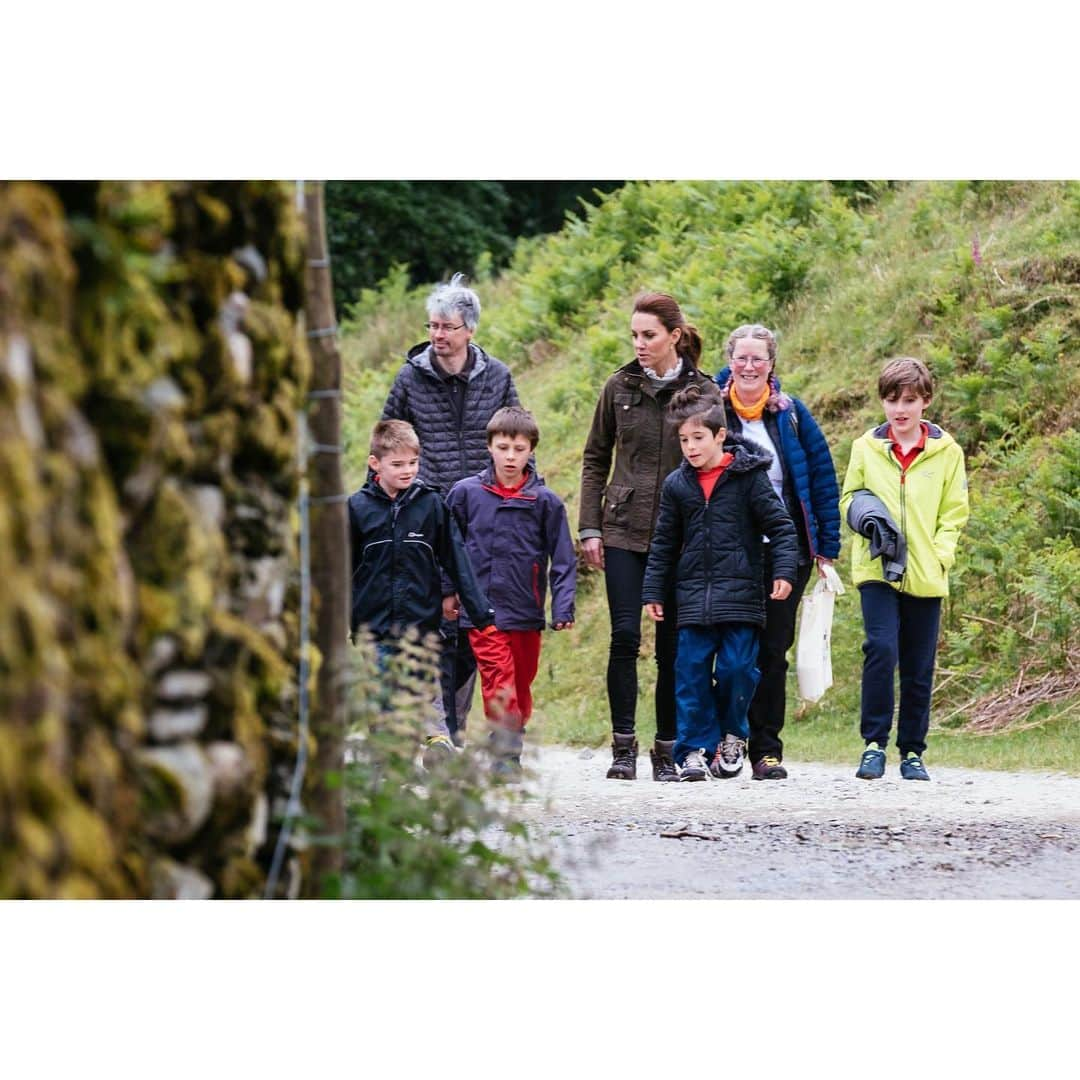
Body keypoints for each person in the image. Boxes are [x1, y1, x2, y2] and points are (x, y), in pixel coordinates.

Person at [579, 292, 721, 781]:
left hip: (681, 535)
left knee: (672, 647)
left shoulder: (704, 391)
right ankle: (622, 747)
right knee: (624, 636)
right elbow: (596, 457)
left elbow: (717, 464)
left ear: (674, 337)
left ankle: (667, 749)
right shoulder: (618, 386)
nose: (639, 344)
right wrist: (590, 526)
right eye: (634, 336)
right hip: (622, 527)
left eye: (649, 335)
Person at [381, 273, 520, 747]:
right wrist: (379, 503)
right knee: (436, 621)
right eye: (433, 326)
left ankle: (459, 724)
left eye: (447, 327)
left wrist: (525, 492)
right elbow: (387, 438)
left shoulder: (498, 376)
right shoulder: (410, 376)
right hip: (427, 512)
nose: (438, 335)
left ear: (469, 330)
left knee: (475, 619)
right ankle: (444, 732)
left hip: (484, 512)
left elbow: (518, 436)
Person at [642, 385, 799, 780]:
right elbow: (663, 542)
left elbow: (781, 528)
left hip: (742, 597)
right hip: (692, 598)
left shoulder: (749, 479)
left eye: (698, 438)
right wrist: (653, 591)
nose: (691, 448)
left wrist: (782, 571)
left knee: (737, 670)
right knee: (691, 671)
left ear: (720, 435)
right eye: (683, 440)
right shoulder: (677, 486)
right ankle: (693, 749)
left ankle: (732, 735)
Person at [713, 325, 841, 779]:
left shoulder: (792, 415)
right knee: (731, 653)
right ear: (729, 361)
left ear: (772, 364)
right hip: (727, 552)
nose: (749, 367)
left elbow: (821, 479)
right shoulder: (711, 412)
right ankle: (725, 739)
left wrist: (825, 547)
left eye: (758, 359)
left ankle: (766, 750)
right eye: (741, 359)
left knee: (772, 652)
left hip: (787, 549)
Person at [840, 357, 969, 781]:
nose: (900, 409)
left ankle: (912, 751)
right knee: (881, 649)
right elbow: (849, 498)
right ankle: (873, 744)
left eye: (909, 400)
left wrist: (940, 555)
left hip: (926, 573)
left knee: (918, 664)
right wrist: (864, 516)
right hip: (877, 568)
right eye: (892, 400)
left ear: (925, 402)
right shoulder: (864, 448)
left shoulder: (948, 453)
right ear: (882, 401)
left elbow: (954, 513)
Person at [348, 419, 495, 768]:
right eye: (397, 464)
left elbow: (457, 558)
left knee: (425, 688)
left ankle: (437, 745)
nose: (406, 471)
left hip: (422, 622)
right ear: (375, 464)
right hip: (374, 625)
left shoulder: (431, 506)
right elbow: (341, 569)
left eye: (412, 463)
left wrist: (480, 611)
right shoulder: (356, 509)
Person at [447, 407, 576, 778]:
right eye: (502, 447)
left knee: (520, 684)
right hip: (481, 610)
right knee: (498, 679)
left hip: (526, 609)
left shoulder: (545, 502)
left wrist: (563, 606)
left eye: (518, 449)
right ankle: (504, 756)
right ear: (489, 446)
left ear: (530, 450)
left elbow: (563, 557)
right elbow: (447, 548)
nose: (510, 456)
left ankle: (508, 744)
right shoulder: (465, 494)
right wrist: (449, 591)